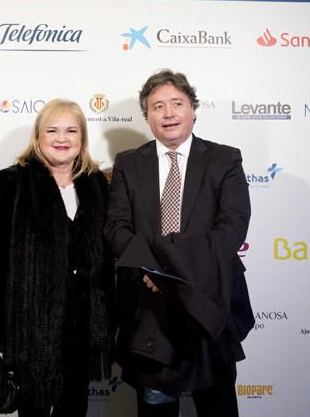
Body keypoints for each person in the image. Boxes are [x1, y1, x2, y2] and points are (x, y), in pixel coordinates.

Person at [104, 70, 254, 417]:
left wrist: (180, 271)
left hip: (208, 300)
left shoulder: (225, 159)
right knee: (157, 407)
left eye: (177, 103)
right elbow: (116, 227)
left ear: (193, 111)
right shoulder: (128, 163)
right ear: (147, 117)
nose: (168, 113)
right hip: (150, 306)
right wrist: (153, 271)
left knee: (217, 405)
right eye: (157, 106)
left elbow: (232, 228)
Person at [0, 99, 113, 417]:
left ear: (82, 138)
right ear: (38, 136)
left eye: (71, 130)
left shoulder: (95, 186)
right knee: (33, 410)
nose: (62, 138)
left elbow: (107, 260)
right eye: (53, 130)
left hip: (82, 325)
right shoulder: (11, 183)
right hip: (30, 326)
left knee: (74, 408)